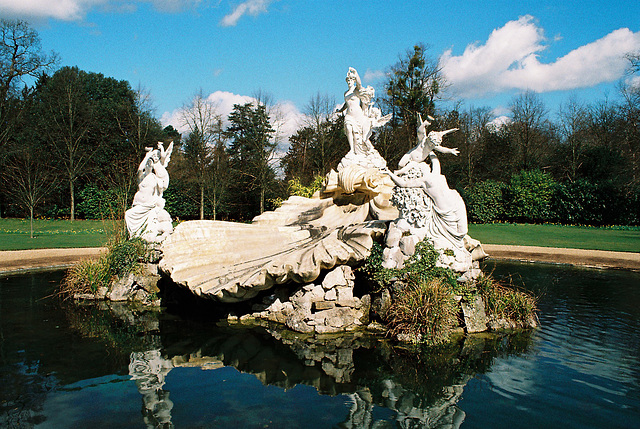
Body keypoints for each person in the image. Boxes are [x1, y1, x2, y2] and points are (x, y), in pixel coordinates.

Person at [125, 141, 174, 241]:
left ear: (152, 166)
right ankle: (134, 237)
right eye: (147, 164)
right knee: (128, 214)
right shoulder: (141, 177)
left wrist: (161, 150)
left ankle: (140, 238)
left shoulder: (155, 178)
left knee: (150, 226)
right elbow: (139, 170)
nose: (148, 166)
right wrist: (147, 156)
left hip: (149, 205)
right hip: (139, 205)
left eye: (150, 164)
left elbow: (163, 185)